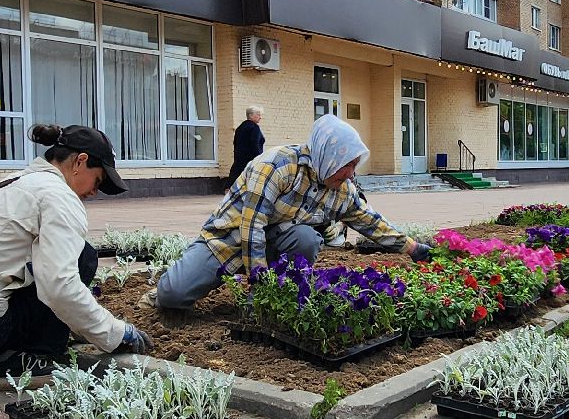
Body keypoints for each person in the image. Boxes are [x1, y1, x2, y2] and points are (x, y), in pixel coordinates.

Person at [0, 124, 154, 392]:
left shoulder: (15, 181)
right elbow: (59, 286)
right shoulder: (59, 196)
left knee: (5, 271)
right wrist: (115, 332)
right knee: (84, 256)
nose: (95, 192)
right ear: (80, 161)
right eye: (98, 181)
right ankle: (18, 364)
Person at [150, 114, 430, 311]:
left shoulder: (340, 188)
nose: (350, 173)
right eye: (346, 164)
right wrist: (258, 282)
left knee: (307, 238)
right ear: (327, 155)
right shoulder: (278, 165)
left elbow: (369, 220)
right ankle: (165, 285)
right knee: (173, 295)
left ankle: (283, 292)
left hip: (274, 242)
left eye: (354, 165)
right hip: (229, 239)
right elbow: (251, 227)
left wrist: (412, 247)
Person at [228, 105, 265, 188]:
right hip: (251, 159)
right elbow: (254, 144)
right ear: (251, 115)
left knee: (236, 177)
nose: (260, 117)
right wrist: (259, 158)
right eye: (258, 115)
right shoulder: (254, 127)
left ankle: (229, 189)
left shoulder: (240, 127)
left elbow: (235, 142)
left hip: (239, 158)